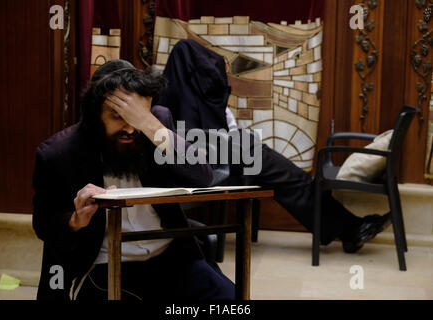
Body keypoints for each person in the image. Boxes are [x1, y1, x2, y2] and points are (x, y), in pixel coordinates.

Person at [155, 39, 391, 253]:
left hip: (222, 154)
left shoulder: (173, 92)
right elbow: (206, 140)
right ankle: (349, 228)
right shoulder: (183, 99)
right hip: (214, 160)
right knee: (291, 180)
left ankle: (348, 228)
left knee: (290, 181)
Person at [32, 60, 235, 301]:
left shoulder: (153, 126)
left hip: (170, 255)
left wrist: (149, 124)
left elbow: (203, 176)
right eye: (118, 116)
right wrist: (76, 220)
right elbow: (44, 224)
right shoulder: (57, 153)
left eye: (136, 117)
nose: (129, 128)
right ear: (95, 115)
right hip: (103, 264)